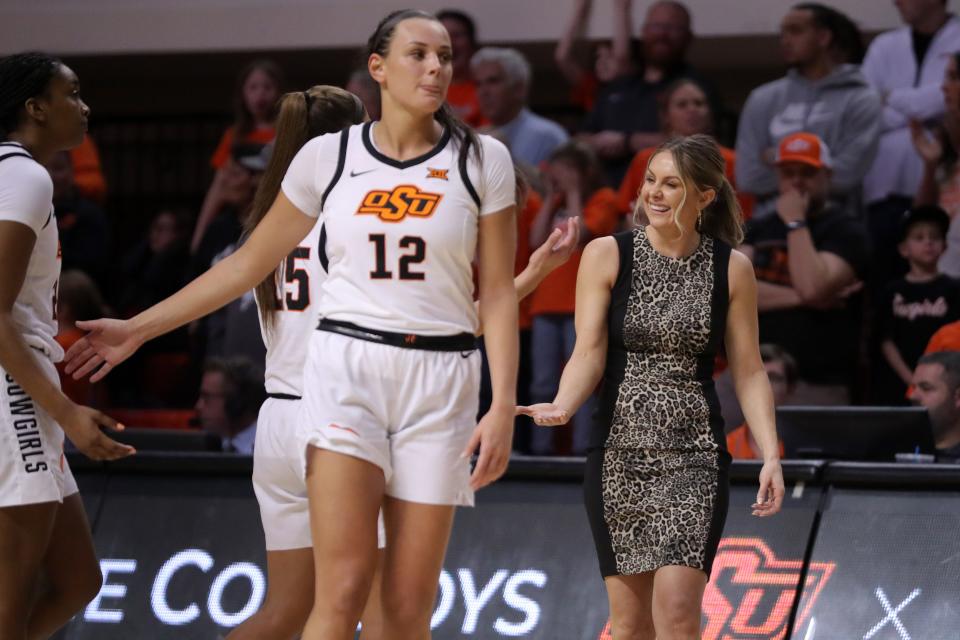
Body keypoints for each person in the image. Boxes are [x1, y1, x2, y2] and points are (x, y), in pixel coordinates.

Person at [65, 11, 521, 638]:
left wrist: (503, 405)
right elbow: (247, 264)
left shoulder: (483, 158)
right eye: (418, 54)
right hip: (345, 373)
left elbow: (495, 292)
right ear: (378, 68)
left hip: (442, 380)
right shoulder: (326, 158)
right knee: (338, 594)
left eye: (445, 56)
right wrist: (140, 327)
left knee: (408, 611)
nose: (436, 67)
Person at [519, 134, 784, 637]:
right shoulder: (606, 254)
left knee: (679, 615)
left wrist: (770, 452)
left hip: (694, 456)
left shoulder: (733, 268)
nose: (654, 195)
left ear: (705, 197)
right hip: (619, 454)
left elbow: (749, 370)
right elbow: (588, 353)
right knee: (630, 625)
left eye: (671, 185)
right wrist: (563, 404)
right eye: (649, 182)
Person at [0, 51, 133, 640]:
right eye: (71, 94)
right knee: (10, 594)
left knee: (79, 579)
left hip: (22, 385)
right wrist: (70, 414)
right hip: (11, 389)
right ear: (34, 107)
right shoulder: (23, 174)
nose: (84, 107)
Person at [742, 132, 869, 404]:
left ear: (828, 175)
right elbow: (729, 289)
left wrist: (796, 222)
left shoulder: (847, 231)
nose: (796, 181)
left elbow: (813, 286)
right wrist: (805, 299)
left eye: (807, 173)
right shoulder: (758, 228)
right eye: (788, 173)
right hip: (750, 374)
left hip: (817, 380)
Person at [735, 3, 881, 220]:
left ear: (823, 37)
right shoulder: (762, 99)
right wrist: (817, 168)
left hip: (837, 225)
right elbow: (748, 177)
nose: (785, 40)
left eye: (795, 31)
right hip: (770, 225)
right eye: (782, 33)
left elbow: (848, 173)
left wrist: (776, 157)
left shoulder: (861, 98)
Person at [528, 142, 620, 455]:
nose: (559, 177)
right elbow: (535, 240)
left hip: (581, 304)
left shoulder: (603, 199)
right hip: (545, 303)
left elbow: (580, 234)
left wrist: (573, 193)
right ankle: (540, 449)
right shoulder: (552, 204)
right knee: (543, 382)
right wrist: (552, 200)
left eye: (566, 171)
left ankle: (582, 449)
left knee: (581, 383)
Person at [861, 0, 960, 281]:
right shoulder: (883, 45)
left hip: (943, 191)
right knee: (887, 285)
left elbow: (944, 98)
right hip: (884, 192)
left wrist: (889, 97)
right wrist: (921, 108)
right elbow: (865, 111)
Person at [580, 0, 717, 185]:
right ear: (643, 32)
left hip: (670, 195)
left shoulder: (695, 88)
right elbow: (581, 137)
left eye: (673, 28)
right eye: (656, 26)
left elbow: (701, 141)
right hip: (606, 198)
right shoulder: (618, 87)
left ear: (688, 37)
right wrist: (596, 143)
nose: (662, 34)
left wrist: (628, 142)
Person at [617, 77, 753, 218]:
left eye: (699, 103)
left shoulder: (732, 160)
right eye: (682, 105)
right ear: (666, 115)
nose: (692, 109)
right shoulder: (645, 159)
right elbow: (626, 211)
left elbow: (743, 215)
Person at [193, 60, 282, 252]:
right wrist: (199, 236)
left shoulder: (285, 132)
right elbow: (218, 188)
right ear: (243, 94)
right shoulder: (233, 136)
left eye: (267, 87)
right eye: (253, 87)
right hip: (239, 220)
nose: (260, 94)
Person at [876, 205, 960, 404]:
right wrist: (912, 380)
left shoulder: (954, 289)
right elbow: (885, 340)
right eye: (919, 237)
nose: (928, 242)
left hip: (942, 385)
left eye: (935, 237)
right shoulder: (893, 290)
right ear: (904, 249)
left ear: (945, 246)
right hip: (898, 385)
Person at [471, 47, 569, 168]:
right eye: (478, 84)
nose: (483, 92)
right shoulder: (472, 137)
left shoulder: (548, 136)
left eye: (493, 81)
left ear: (519, 88)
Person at [913, 53, 960, 277]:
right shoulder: (947, 149)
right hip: (944, 284)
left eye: (953, 77)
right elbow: (921, 220)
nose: (943, 87)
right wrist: (930, 167)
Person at [554, 0, 634, 114]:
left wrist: (621, 9)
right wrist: (578, 10)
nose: (602, 62)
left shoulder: (630, 84)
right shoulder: (591, 87)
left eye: (609, 57)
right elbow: (561, 57)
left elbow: (621, 57)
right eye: (598, 57)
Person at [48, 150, 110, 286]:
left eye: (58, 168)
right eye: (45, 168)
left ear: (71, 171)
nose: (51, 176)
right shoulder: (30, 212)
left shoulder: (89, 214)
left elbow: (93, 266)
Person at [726, 344, 792, 460]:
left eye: (773, 378)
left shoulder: (801, 444)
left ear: (790, 387)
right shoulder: (728, 445)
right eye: (755, 378)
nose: (764, 386)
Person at [196, 357, 264, 454]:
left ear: (237, 403)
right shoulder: (212, 447)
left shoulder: (273, 451)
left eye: (207, 398)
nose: (198, 406)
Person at [909, 351, 960, 462]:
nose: (913, 396)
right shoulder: (892, 450)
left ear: (958, 398)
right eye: (914, 387)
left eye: (926, 388)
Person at [437, 9, 485, 127]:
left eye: (457, 36)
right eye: (442, 36)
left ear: (472, 44)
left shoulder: (486, 88)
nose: (450, 43)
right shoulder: (418, 89)